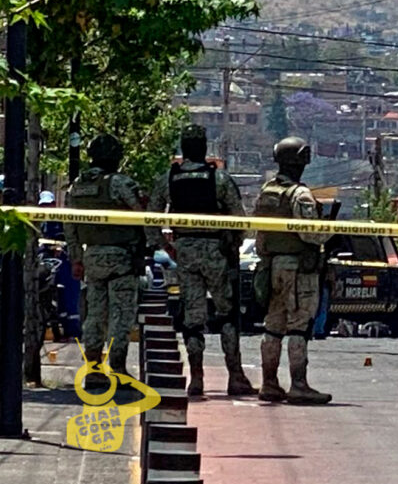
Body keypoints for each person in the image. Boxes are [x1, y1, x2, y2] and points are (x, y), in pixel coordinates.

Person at [146, 124, 256, 397]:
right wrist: (232, 246)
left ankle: (196, 378)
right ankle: (235, 376)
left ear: (183, 148)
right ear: (204, 147)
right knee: (227, 314)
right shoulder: (219, 178)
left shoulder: (168, 179)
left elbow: (150, 220)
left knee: (193, 319)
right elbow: (239, 219)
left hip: (185, 252)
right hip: (217, 252)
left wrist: (166, 247)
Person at [254, 137, 332, 404]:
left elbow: (260, 234)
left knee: (273, 326)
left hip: (272, 265)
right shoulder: (300, 195)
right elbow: (310, 234)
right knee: (299, 326)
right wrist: (330, 231)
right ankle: (298, 384)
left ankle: (269, 383)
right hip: (298, 268)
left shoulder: (267, 192)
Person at [65, 134, 146, 380]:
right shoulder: (120, 183)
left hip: (92, 257)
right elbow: (144, 215)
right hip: (121, 257)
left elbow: (70, 225)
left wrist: (76, 258)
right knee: (121, 314)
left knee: (95, 314)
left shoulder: (76, 186)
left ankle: (93, 369)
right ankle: (118, 368)